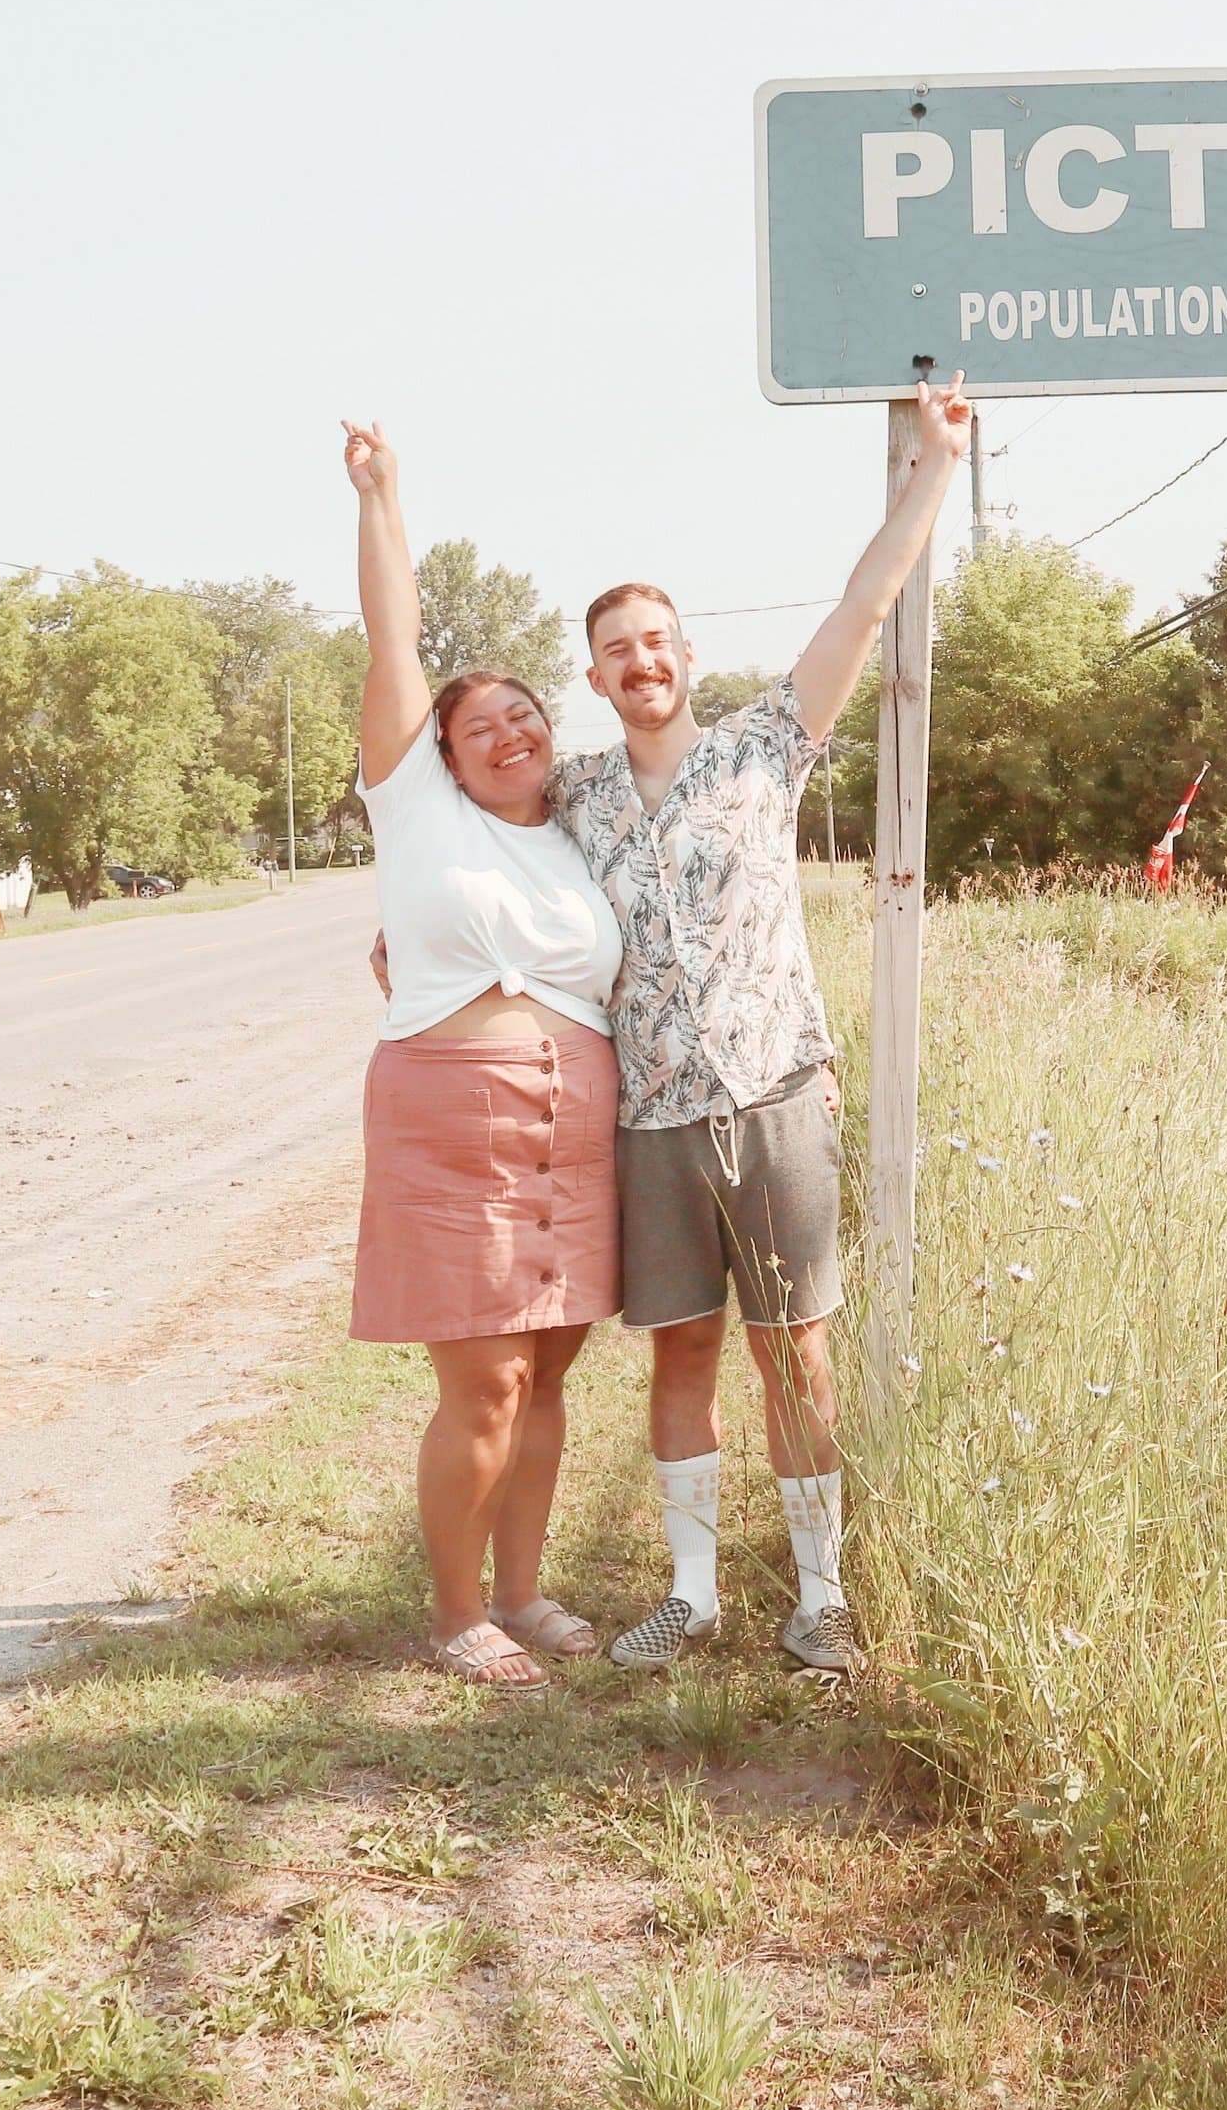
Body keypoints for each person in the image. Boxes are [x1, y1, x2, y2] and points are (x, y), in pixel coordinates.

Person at [555, 369, 971, 1674]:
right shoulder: (567, 799)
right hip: (654, 1122)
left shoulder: (762, 748)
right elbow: (458, 840)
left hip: (778, 1096)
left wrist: (936, 469)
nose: (643, 659)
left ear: (686, 649)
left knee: (797, 1356)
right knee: (681, 1352)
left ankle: (822, 1596)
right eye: (618, 646)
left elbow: (867, 602)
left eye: (658, 637)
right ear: (597, 674)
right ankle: (690, 1595)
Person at [341, 418, 627, 1690]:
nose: (505, 732)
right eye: (479, 726)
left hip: (578, 1119)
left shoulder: (581, 839)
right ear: (441, 754)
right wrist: (385, 497)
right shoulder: (415, 809)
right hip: (453, 1116)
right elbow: (392, 639)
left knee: (551, 1368)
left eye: (523, 715)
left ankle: (523, 1589)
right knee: (487, 1380)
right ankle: (457, 1611)